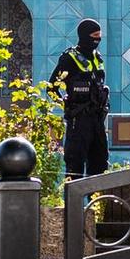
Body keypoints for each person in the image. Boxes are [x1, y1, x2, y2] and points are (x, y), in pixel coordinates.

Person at [52, 18, 110, 182]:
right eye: (94, 36)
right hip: (78, 121)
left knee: (100, 165)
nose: (97, 40)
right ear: (84, 35)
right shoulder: (69, 58)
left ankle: (98, 204)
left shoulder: (97, 58)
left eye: (99, 36)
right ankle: (72, 206)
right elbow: (51, 87)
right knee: (75, 166)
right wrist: (66, 104)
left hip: (97, 120)